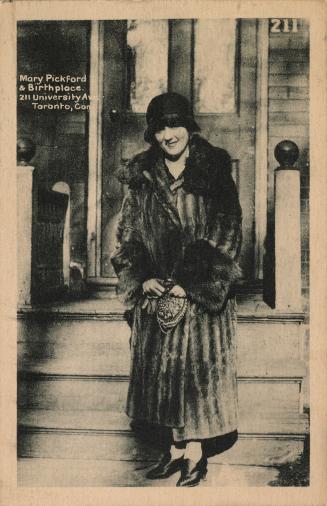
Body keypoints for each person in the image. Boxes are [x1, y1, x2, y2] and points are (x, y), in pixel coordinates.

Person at [111, 92, 242, 487]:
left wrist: (193, 284)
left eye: (175, 125)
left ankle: (197, 453)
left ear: (189, 126)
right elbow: (129, 233)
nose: (169, 135)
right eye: (160, 128)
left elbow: (228, 232)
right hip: (157, 293)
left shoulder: (213, 170)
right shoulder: (141, 176)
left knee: (196, 372)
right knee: (161, 373)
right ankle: (173, 449)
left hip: (199, 295)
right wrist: (142, 276)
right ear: (152, 134)